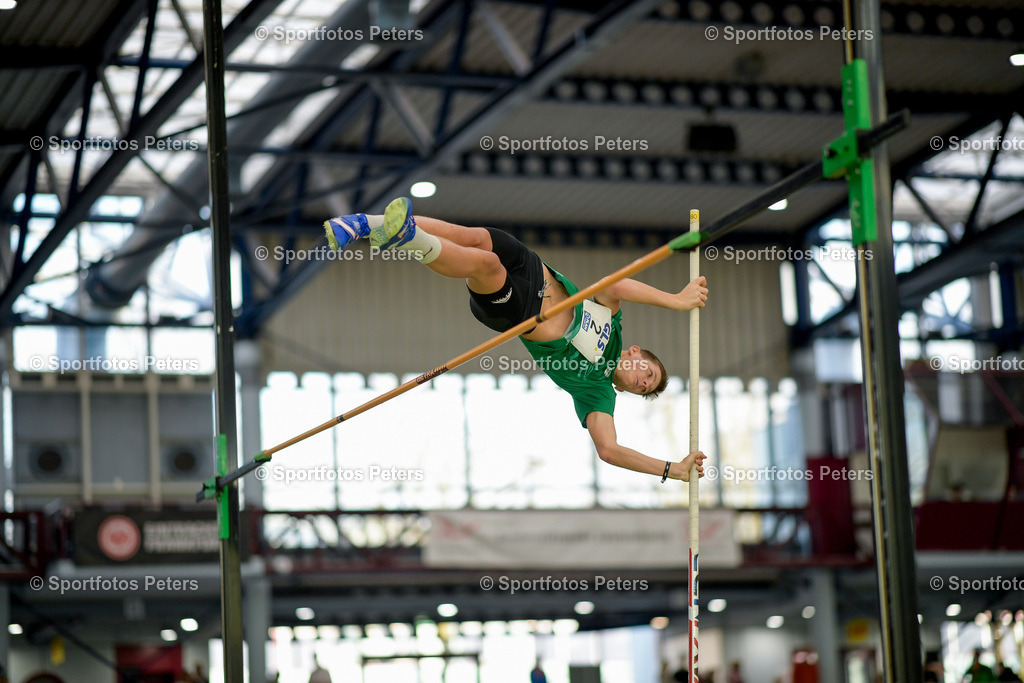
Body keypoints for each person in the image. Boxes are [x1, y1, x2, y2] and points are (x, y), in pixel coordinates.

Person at [324, 198, 709, 481]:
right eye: (649, 373)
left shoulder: (597, 392)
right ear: (636, 352)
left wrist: (671, 470)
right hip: (534, 268)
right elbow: (617, 284)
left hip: (519, 310)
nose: (643, 381)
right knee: (474, 238)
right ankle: (362, 225)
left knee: (486, 265)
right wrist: (675, 301)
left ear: (628, 394)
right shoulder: (614, 326)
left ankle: (407, 237)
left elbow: (608, 451)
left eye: (645, 388)